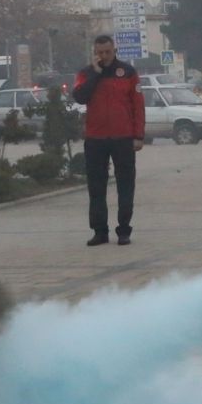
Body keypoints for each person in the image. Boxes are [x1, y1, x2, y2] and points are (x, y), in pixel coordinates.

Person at [72, 35, 145, 246]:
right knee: (96, 187)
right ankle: (99, 231)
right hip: (95, 138)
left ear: (114, 50)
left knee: (125, 185)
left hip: (123, 138)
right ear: (95, 53)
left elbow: (137, 106)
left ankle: (124, 230)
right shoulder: (86, 73)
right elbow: (80, 97)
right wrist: (96, 74)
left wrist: (138, 135)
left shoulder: (128, 72)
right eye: (99, 53)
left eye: (107, 52)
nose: (104, 56)